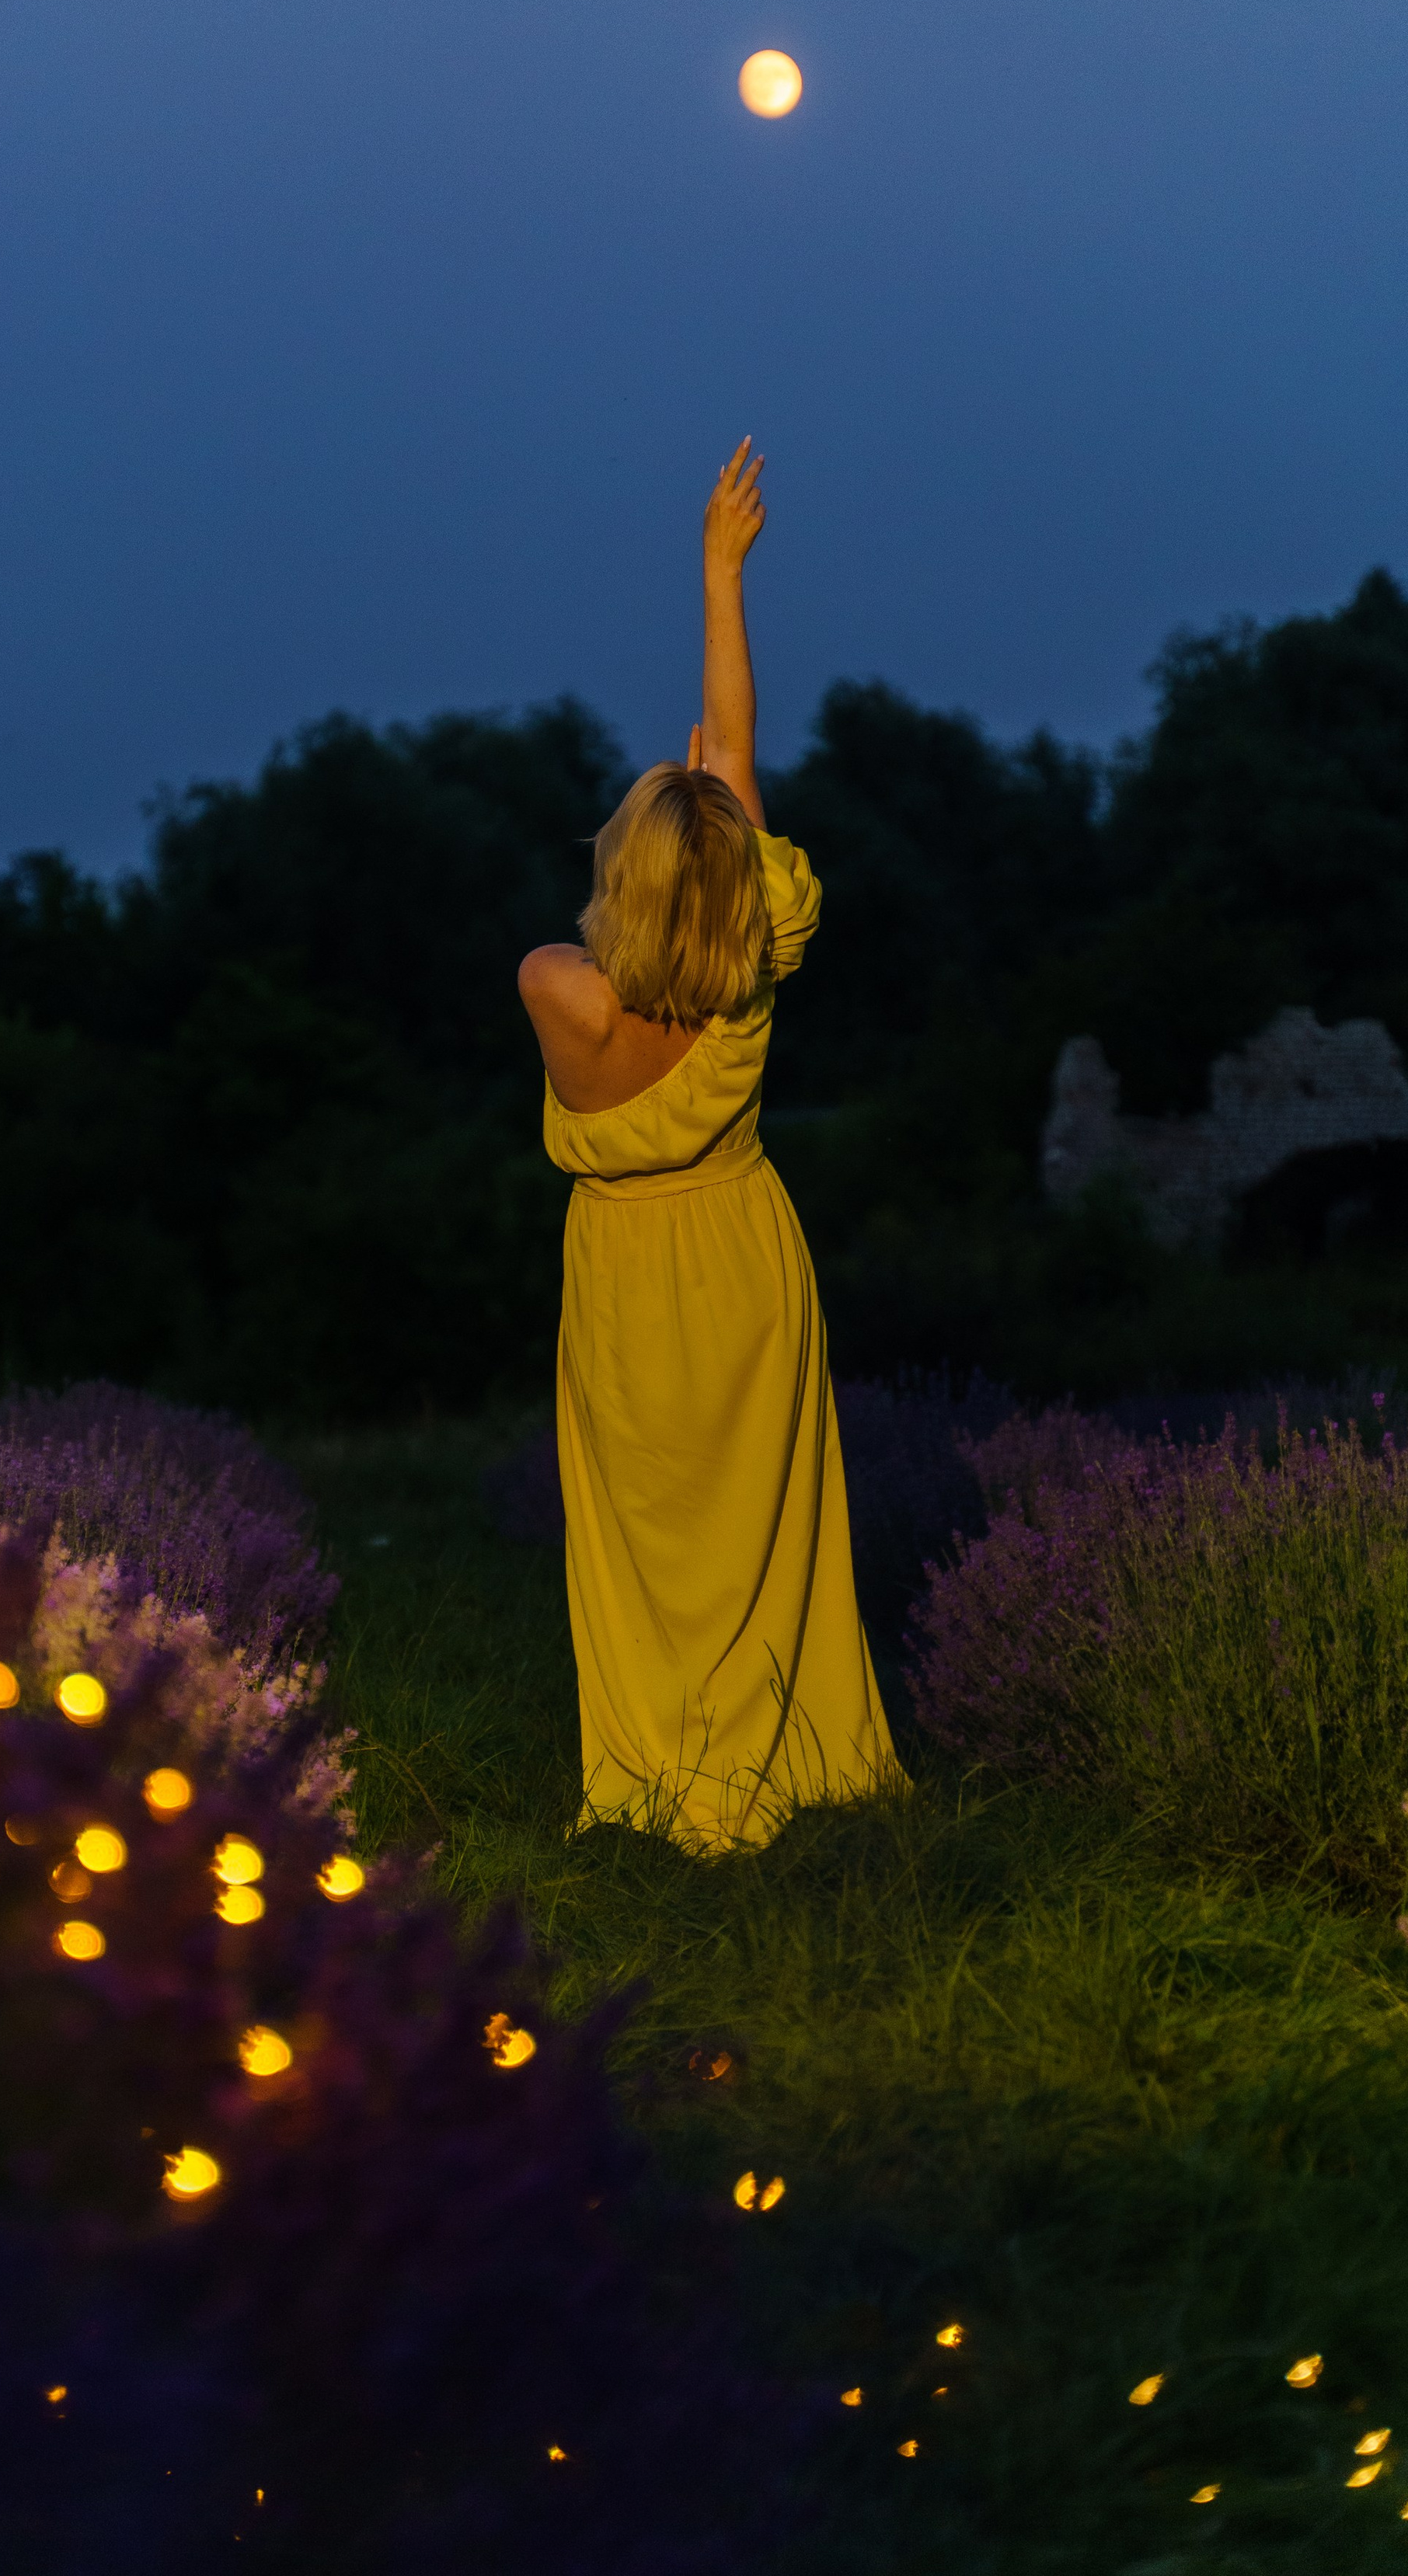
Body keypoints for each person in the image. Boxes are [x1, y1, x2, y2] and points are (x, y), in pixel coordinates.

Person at [517, 440, 901, 1850]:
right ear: (730, 884)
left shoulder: (558, 989)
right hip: (743, 1249)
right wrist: (722, 574)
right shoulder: (755, 964)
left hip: (626, 1273)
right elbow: (729, 756)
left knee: (636, 1534)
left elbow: (612, 934)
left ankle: (660, 1783)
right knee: (763, 1522)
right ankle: (787, 1762)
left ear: (629, 873)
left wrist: (681, 844)